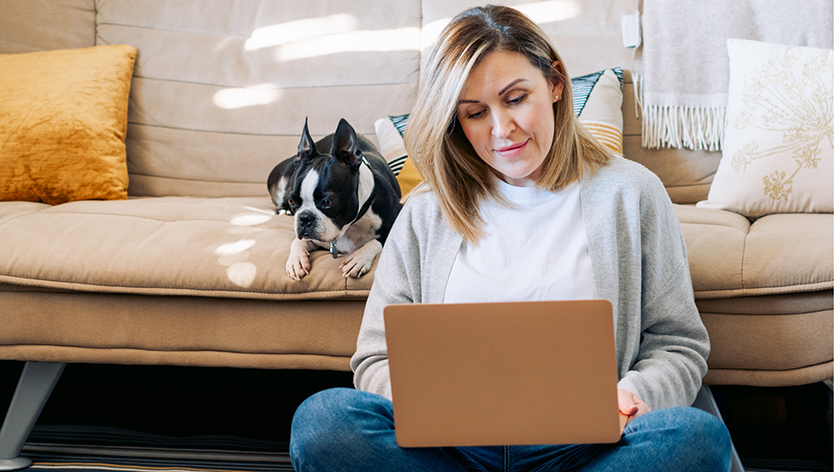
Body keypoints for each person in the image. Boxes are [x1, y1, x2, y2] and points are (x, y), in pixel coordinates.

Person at [289, 5, 732, 471]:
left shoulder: (632, 192)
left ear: (556, 83)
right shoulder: (426, 210)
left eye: (516, 98)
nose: (502, 130)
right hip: (451, 448)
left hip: (586, 448)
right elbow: (375, 357)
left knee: (697, 439)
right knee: (322, 423)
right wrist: (420, 402)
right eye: (475, 113)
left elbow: (677, 343)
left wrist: (631, 396)